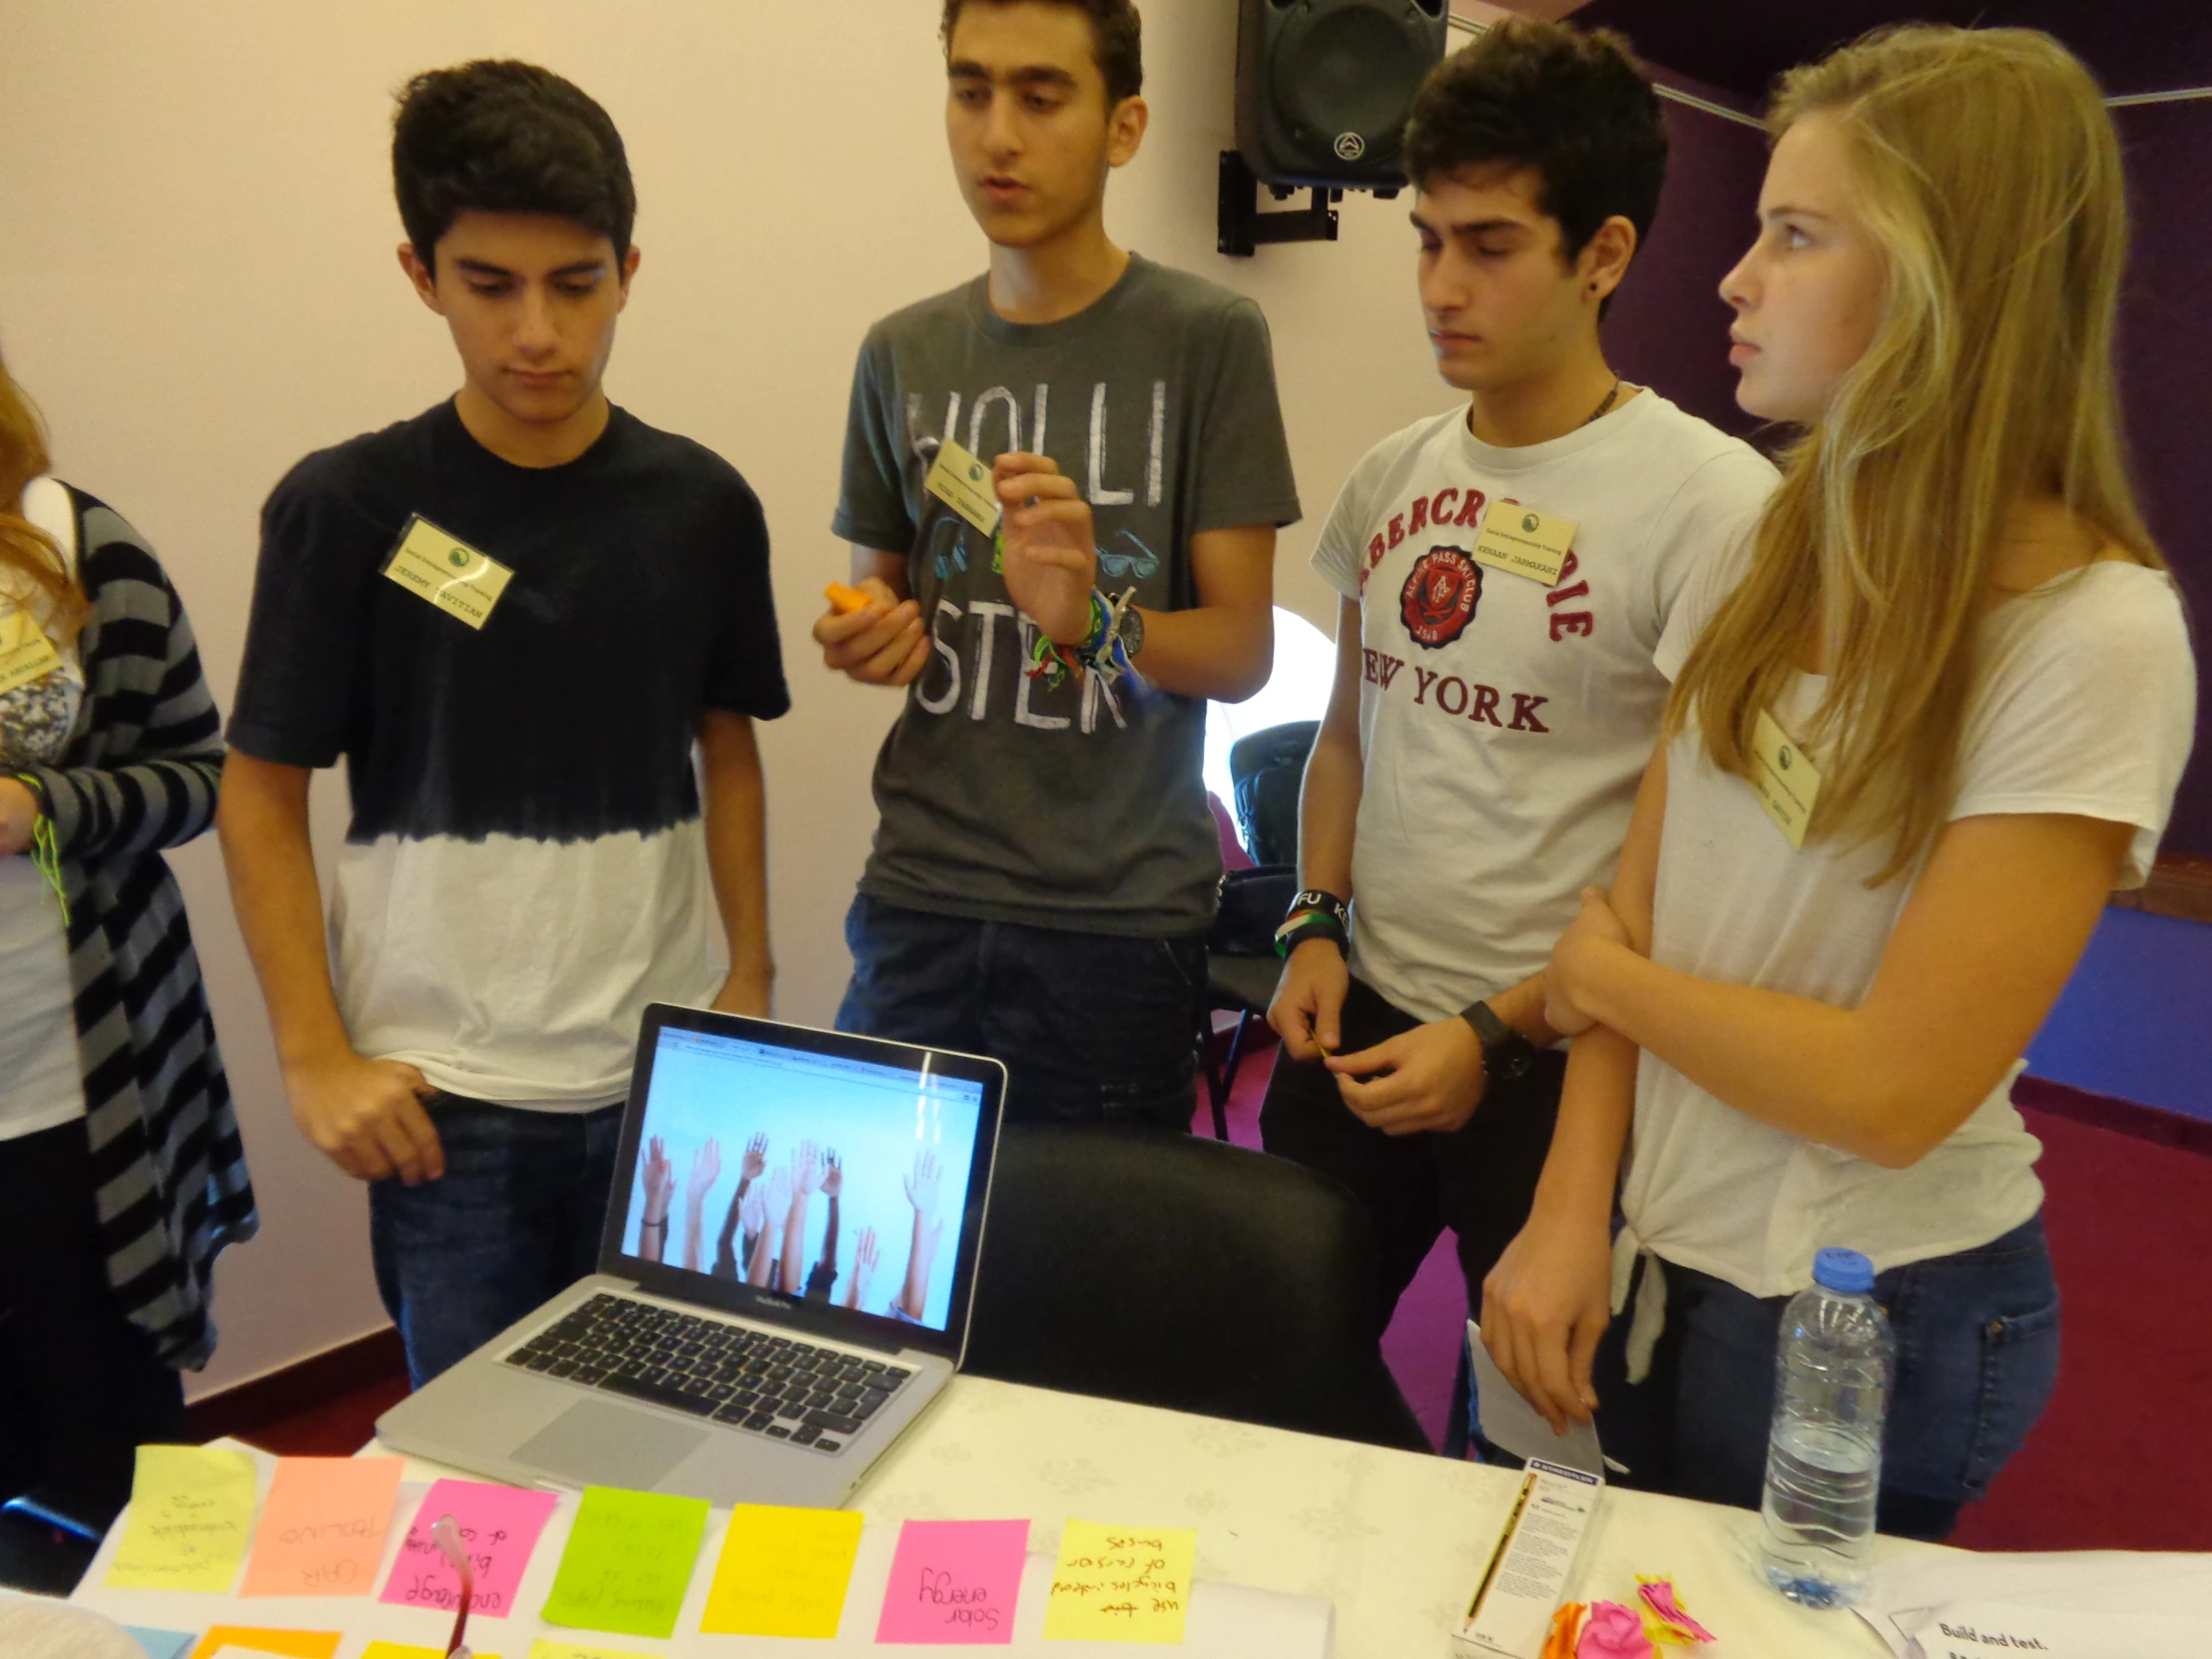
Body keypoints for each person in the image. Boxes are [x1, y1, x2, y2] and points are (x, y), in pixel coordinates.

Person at [1481, 25, 2195, 1541]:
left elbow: (1889, 1091)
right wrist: (1567, 1207)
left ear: (1951, 283)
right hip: (1668, 1244)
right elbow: (1638, 907)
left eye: (1793, 236)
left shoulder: (2093, 632)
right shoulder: (1765, 533)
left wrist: (1607, 977)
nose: (1735, 277)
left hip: (1874, 1296)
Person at [219, 60, 790, 1388]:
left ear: (628, 268)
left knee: (680, 1438)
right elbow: (258, 791)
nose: (538, 331)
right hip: (444, 1103)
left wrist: (749, 979)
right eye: (491, 286)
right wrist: (313, 1056)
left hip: (664, 1077)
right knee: (483, 1483)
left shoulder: (702, 502)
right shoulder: (345, 507)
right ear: (422, 273)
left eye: (575, 284)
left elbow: (731, 744)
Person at [1260, 19, 1778, 1354]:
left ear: (1602, 254)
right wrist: (1312, 921)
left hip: (1559, 1063)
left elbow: (1694, 869)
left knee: (1545, 1445)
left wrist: (1492, 1034)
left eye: (1490, 247)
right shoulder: (1391, 473)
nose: (1442, 285)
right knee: (1268, 1368)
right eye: (1428, 239)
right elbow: (1345, 739)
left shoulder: (1714, 507)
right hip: (1360, 1023)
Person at [815, 0, 1302, 1128]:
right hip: (919, 894)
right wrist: (863, 637)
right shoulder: (901, 352)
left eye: (1040, 97)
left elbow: (1238, 653)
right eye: (970, 90)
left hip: (1114, 920)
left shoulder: (1205, 338)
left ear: (1122, 125)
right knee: (891, 1278)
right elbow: (876, 595)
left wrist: (1091, 620)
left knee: (1080, 1280)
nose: (997, 135)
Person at [0, 352, 256, 1540]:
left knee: (117, 1436)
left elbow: (206, 779)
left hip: (67, 1073)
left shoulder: (75, 545)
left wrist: (45, 809)